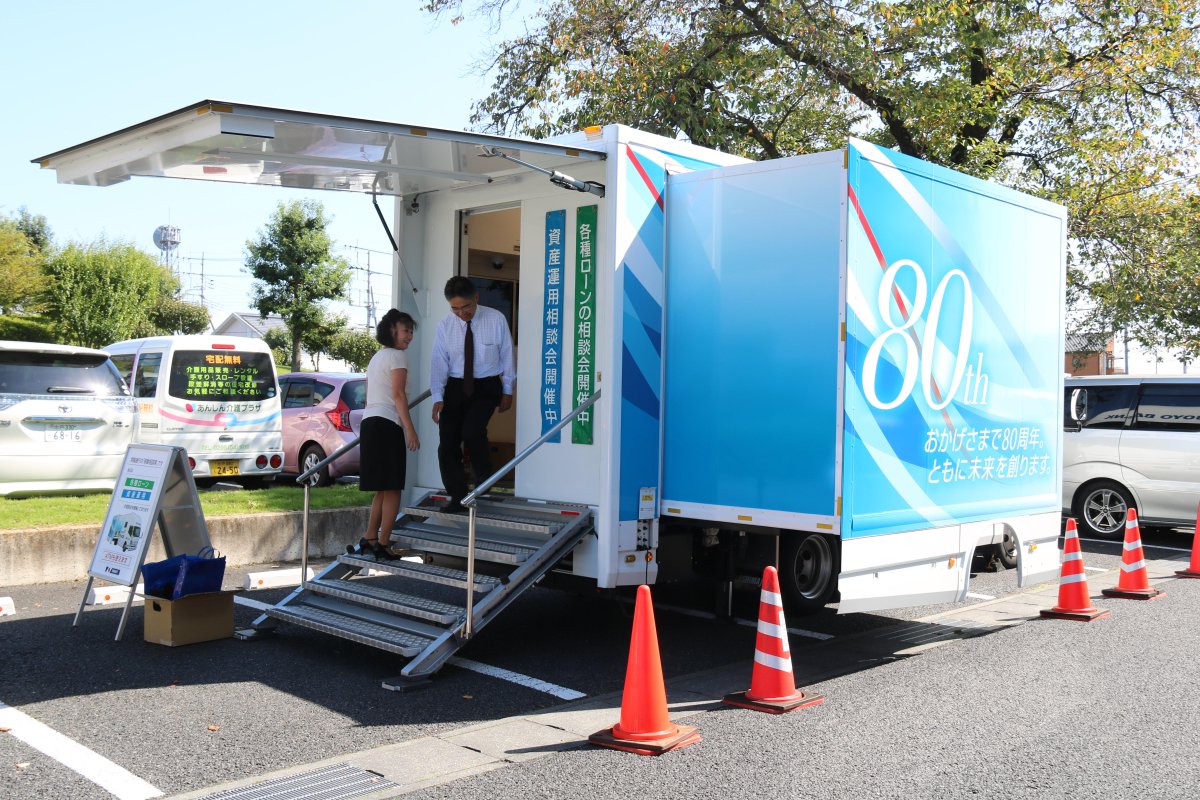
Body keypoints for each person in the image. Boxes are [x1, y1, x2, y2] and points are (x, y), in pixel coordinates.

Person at [430, 276, 515, 512]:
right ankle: (457, 495)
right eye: (455, 308)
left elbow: (507, 355)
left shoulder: (495, 319)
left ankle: (483, 480)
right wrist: (438, 396)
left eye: (465, 307)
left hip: (487, 386)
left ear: (476, 298)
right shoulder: (445, 325)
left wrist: (508, 390)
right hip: (455, 387)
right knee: (447, 443)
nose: (461, 313)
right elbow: (438, 361)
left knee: (472, 431)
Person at [356, 309, 420, 559]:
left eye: (411, 331)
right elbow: (398, 395)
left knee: (381, 489)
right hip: (387, 423)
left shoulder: (377, 358)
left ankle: (370, 537)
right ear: (392, 330)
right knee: (393, 488)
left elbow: (371, 392)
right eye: (406, 331)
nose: (410, 336)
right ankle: (383, 543)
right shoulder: (397, 357)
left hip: (370, 423)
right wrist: (410, 430)